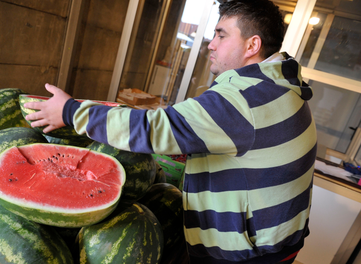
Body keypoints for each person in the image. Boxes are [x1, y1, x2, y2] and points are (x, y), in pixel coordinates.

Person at [24, 0, 317, 263]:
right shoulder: (280, 85)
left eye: (221, 35)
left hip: (249, 253)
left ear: (252, 45)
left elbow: (155, 129)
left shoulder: (246, 99)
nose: (210, 45)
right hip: (277, 238)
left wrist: (70, 111)